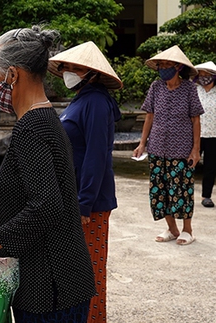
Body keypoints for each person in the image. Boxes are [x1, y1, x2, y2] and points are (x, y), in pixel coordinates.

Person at [0, 26, 96, 323]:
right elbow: (29, 195)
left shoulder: (32, 129)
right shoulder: (44, 119)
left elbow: (47, 206)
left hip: (50, 287)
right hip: (60, 280)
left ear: (12, 75)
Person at [48, 41, 122, 323]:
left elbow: (96, 156)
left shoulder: (97, 102)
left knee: (89, 272)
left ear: (90, 72)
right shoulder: (80, 99)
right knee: (76, 272)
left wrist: (84, 204)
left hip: (89, 204)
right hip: (76, 198)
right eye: (65, 67)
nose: (67, 71)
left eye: (74, 67)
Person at [133, 45, 203, 246]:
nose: (163, 68)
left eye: (166, 64)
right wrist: (142, 143)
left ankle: (187, 230)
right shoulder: (156, 87)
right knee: (159, 191)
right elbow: (149, 116)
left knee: (181, 190)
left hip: (181, 150)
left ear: (178, 67)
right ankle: (172, 229)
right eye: (160, 65)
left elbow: (195, 120)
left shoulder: (189, 89)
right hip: (157, 148)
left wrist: (195, 149)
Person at [193, 61, 216, 208]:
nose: (203, 77)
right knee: (189, 164)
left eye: (207, 75)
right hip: (194, 133)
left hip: (213, 135)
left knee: (211, 166)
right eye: (201, 74)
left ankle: (206, 196)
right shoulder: (194, 90)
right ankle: (183, 193)